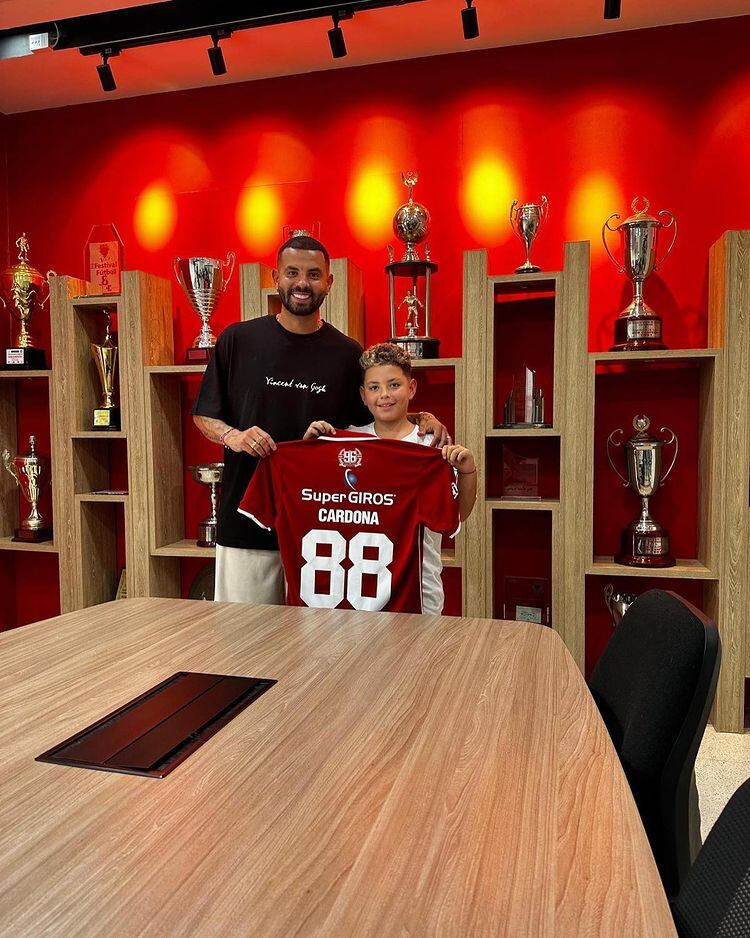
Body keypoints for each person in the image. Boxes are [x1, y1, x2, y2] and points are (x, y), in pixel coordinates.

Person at [192, 235, 449, 604]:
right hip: (246, 524)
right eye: (292, 273)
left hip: (324, 532)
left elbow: (377, 420)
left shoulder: (347, 354)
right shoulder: (238, 340)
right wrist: (235, 437)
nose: (302, 283)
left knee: (315, 651)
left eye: (314, 274)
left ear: (329, 282)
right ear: (277, 278)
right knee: (242, 645)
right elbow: (205, 414)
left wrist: (420, 415)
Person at [304, 342, 477, 614]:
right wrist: (311, 452)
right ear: (363, 395)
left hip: (420, 590)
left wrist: (468, 472)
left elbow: (456, 516)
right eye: (374, 388)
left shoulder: (431, 444)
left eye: (394, 385)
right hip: (356, 594)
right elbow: (315, 502)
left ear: (412, 388)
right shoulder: (348, 440)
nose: (384, 395)